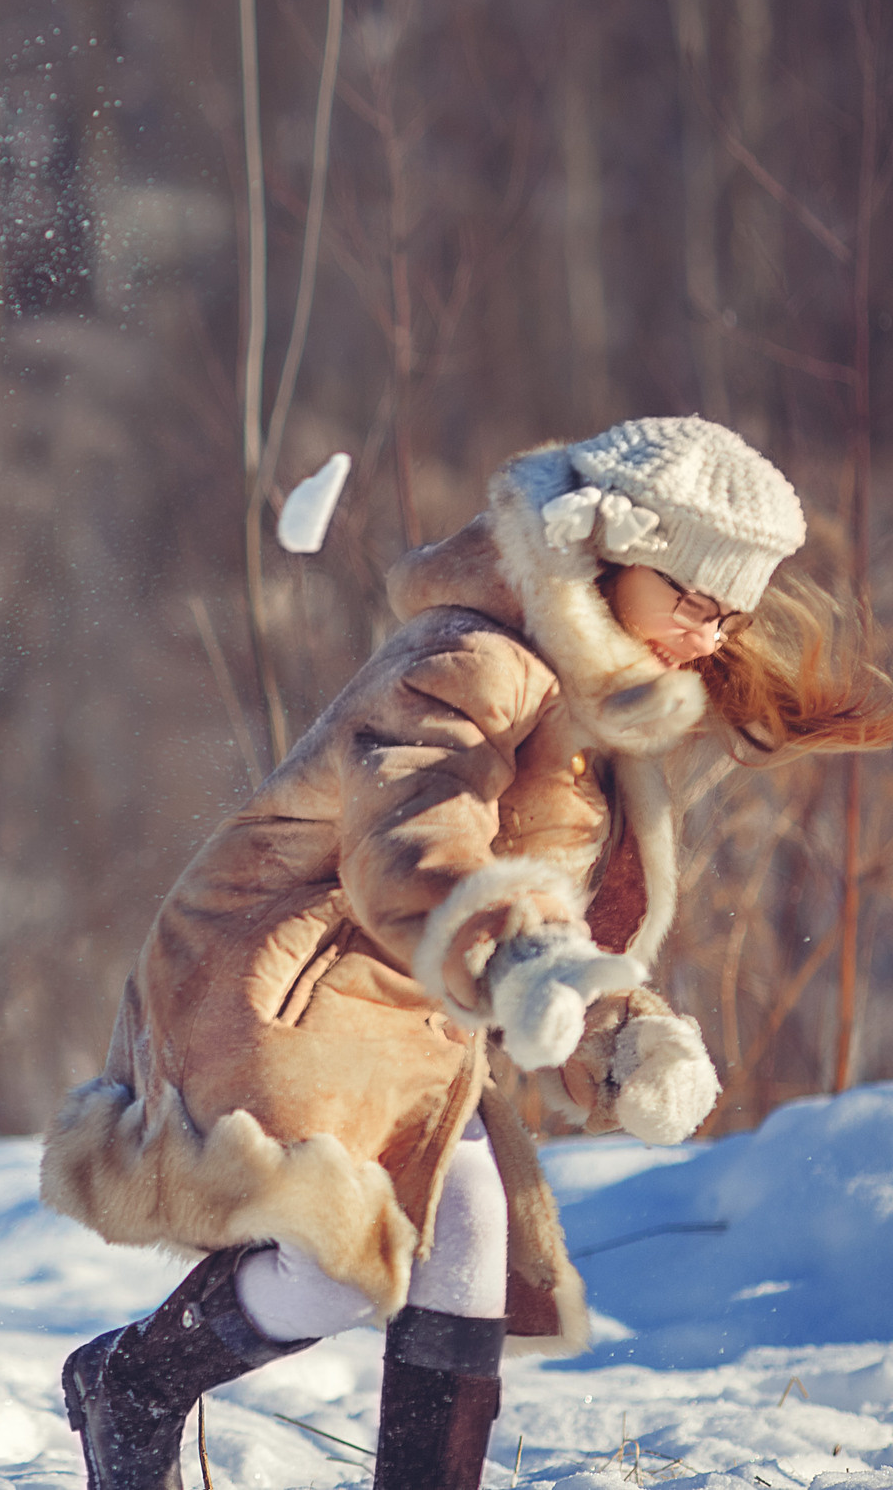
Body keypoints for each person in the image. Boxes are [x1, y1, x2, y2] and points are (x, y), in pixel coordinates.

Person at [44, 416, 893, 1490]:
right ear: (607, 553)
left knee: (461, 1241)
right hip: (280, 973)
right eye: (691, 599)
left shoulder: (598, 709)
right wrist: (514, 960)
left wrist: (622, 1030)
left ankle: (143, 1385)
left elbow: (556, 913)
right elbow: (413, 831)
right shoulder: (467, 657)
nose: (709, 637)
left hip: (412, 998)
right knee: (353, 1253)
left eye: (728, 614)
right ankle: (134, 1384)